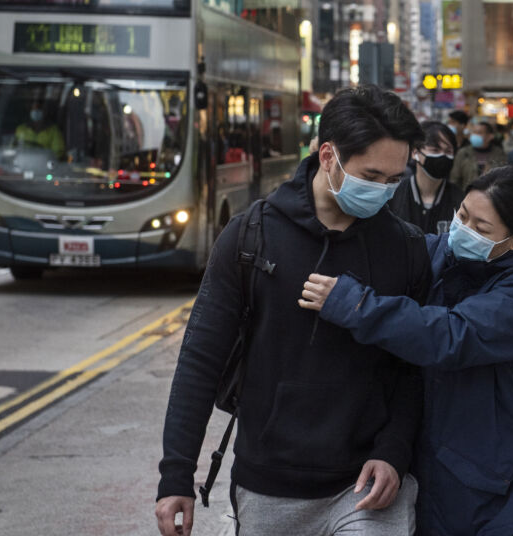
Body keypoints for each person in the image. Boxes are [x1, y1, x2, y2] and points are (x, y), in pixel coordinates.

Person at [156, 85, 431, 536]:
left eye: (394, 179)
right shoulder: (250, 237)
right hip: (268, 484)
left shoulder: (404, 248)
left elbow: (412, 367)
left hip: (366, 484)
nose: (383, 191)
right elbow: (199, 361)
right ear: (328, 156)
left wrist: (394, 451)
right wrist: (176, 475)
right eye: (371, 176)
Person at [299, 165, 513, 536]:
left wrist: (355, 305)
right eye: (462, 215)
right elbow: (396, 255)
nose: (464, 230)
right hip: (441, 465)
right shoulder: (449, 253)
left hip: (502, 482)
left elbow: (448, 335)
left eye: (482, 228)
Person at [389, 121, 463, 234]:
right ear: (415, 152)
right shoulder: (393, 193)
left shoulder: (460, 199)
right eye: (435, 150)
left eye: (448, 151)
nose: (442, 156)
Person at [450, 121, 507, 191]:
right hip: (467, 197)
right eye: (473, 132)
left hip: (491, 198)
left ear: (490, 136)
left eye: (479, 133)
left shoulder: (499, 154)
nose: (474, 136)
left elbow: (503, 179)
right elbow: (454, 180)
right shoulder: (463, 153)